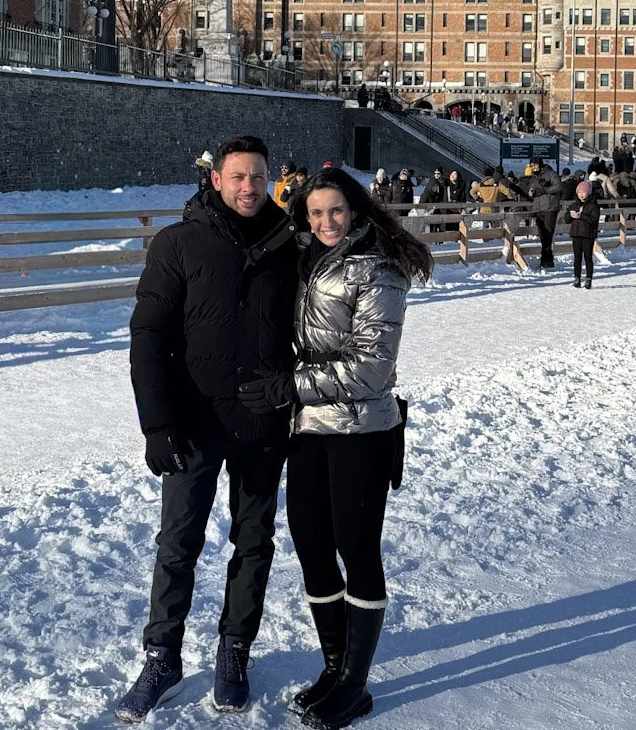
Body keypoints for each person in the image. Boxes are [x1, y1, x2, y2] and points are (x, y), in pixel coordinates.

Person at [237, 169, 432, 730]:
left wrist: (289, 386)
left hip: (362, 432)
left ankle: (355, 684)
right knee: (312, 545)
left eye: (336, 212)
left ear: (357, 209)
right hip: (309, 431)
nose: (325, 222)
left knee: (356, 548)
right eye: (315, 213)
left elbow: (372, 368)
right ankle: (333, 664)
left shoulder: (380, 269)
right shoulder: (305, 257)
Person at [119, 135, 300, 722]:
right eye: (239, 177)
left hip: (262, 421)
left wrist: (289, 385)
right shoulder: (178, 243)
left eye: (259, 177)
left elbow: (313, 331)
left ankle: (234, 648)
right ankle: (163, 655)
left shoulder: (286, 246)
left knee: (253, 541)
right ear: (217, 180)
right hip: (194, 422)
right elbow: (148, 337)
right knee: (177, 544)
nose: (250, 187)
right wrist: (157, 422)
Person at [524, 158, 564, 269]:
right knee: (542, 235)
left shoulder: (551, 174)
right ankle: (547, 259)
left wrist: (545, 190)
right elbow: (532, 190)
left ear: (540, 165)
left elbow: (559, 186)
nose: (533, 167)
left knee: (548, 234)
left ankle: (546, 259)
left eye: (534, 165)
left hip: (550, 207)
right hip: (538, 208)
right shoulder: (534, 178)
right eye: (531, 166)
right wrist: (531, 192)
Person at [566, 179, 601, 288]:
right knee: (577, 258)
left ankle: (588, 279)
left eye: (584, 192)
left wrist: (581, 216)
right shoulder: (574, 205)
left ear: (588, 193)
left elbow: (594, 220)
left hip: (588, 234)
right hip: (576, 234)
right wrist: (571, 216)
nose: (582, 194)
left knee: (588, 257)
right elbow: (566, 219)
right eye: (580, 192)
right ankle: (577, 278)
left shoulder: (593, 206)